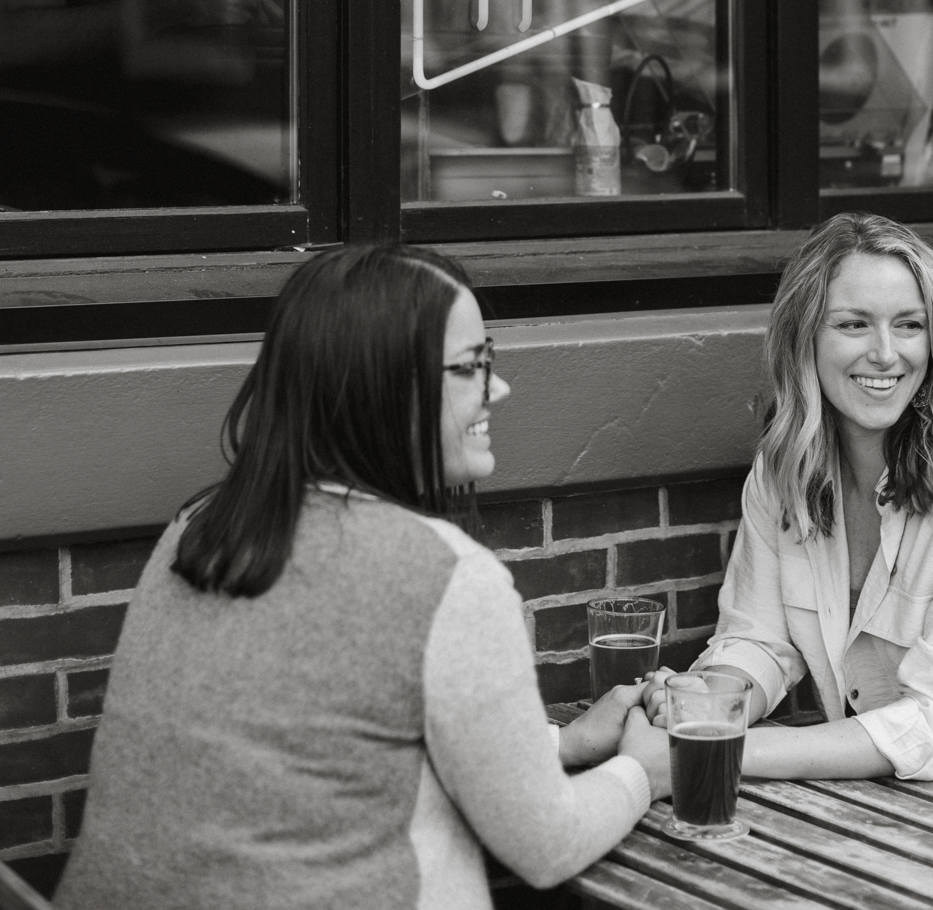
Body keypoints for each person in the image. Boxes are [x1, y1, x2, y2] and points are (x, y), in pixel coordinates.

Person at [56, 245, 669, 908]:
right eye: (471, 367)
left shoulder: (199, 527)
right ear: (384, 389)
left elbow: (320, 752)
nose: (499, 387)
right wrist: (645, 770)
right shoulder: (447, 577)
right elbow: (547, 847)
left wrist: (565, 742)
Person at [644, 213, 933, 832]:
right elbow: (759, 639)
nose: (886, 353)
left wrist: (718, 747)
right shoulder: (783, 471)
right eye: (853, 324)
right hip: (890, 794)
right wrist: (707, 701)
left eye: (909, 325)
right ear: (805, 338)